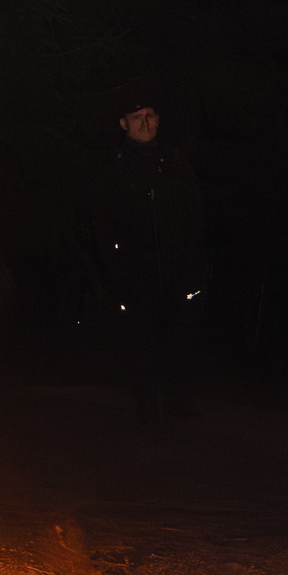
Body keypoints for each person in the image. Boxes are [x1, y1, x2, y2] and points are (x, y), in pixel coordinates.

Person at [109, 91, 208, 423]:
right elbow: (102, 219)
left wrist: (193, 256)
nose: (145, 122)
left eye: (150, 115)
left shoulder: (175, 160)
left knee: (180, 335)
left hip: (177, 266)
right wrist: (115, 262)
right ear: (124, 124)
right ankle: (148, 405)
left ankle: (181, 402)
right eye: (137, 117)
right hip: (136, 270)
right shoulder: (116, 165)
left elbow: (193, 209)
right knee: (142, 338)